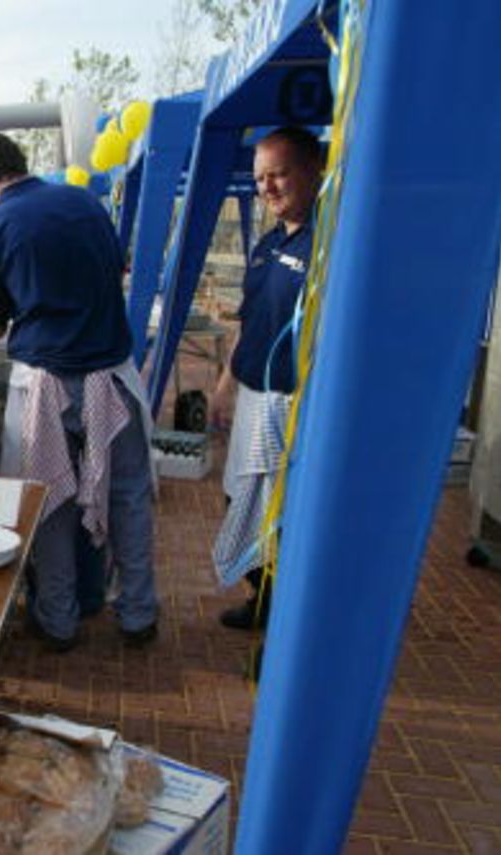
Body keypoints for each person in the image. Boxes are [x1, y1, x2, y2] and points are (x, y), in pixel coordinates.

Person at [0, 132, 158, 650]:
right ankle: (139, 613)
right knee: (129, 497)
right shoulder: (85, 201)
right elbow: (116, 270)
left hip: (46, 383)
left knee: (49, 501)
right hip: (112, 371)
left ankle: (58, 620)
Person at [210, 127, 324, 630]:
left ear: (311, 169)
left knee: (278, 512)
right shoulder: (268, 242)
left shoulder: (331, 242)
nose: (269, 188)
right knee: (239, 495)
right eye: (260, 179)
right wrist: (223, 384)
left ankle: (285, 612)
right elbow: (250, 321)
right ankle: (264, 596)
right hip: (253, 395)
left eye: (278, 174)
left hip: (292, 402)